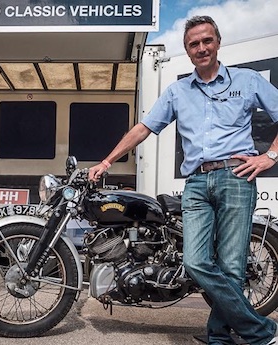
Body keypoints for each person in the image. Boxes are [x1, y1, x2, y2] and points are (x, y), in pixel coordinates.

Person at [89, 15, 278, 345]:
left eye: (207, 41)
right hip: (197, 183)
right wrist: (107, 161)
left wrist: (270, 156)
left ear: (217, 42)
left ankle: (220, 336)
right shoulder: (178, 91)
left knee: (232, 266)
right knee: (196, 262)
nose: (201, 48)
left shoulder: (247, 81)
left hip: (236, 177)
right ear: (188, 51)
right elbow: (143, 128)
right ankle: (259, 331)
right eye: (194, 44)